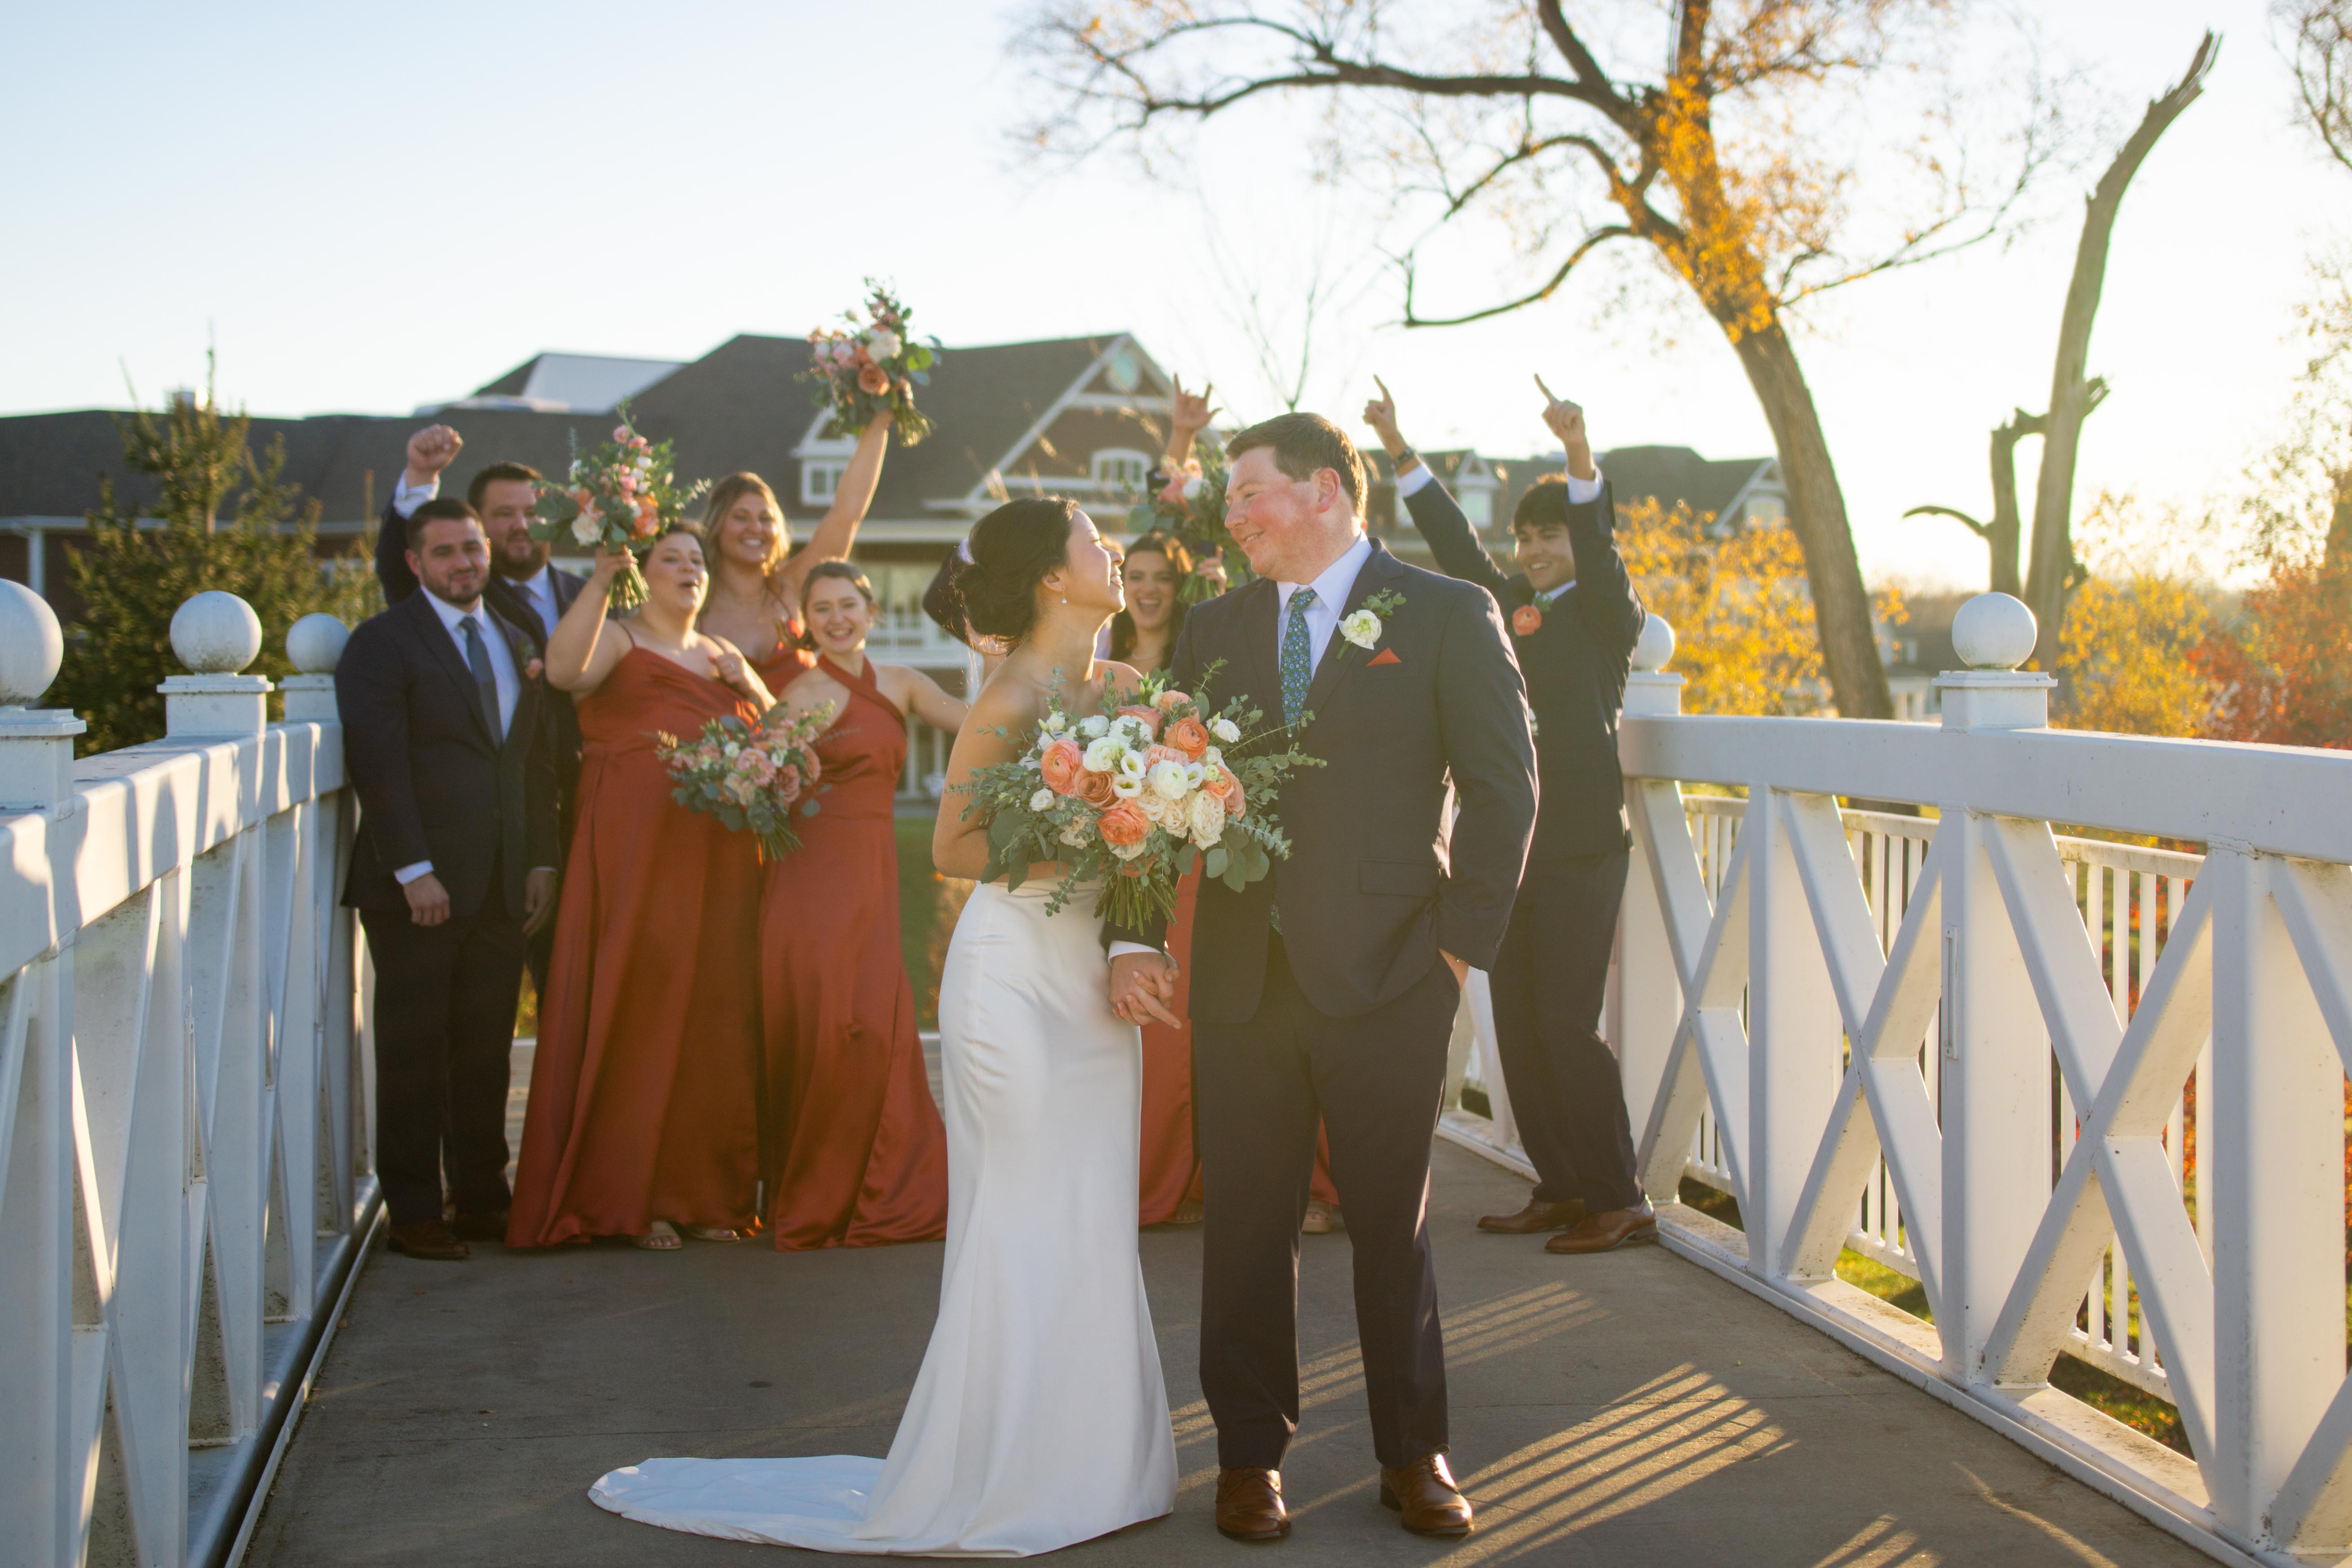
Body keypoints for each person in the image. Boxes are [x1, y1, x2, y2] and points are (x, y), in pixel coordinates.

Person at [588, 497, 1177, 1555]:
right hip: (1012, 980)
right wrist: (1108, 828)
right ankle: (1000, 1472)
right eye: (1092, 541)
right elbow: (955, 846)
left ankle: (1094, 1463)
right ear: (1054, 576)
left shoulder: (1130, 690)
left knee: (1092, 1210)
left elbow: (1146, 831)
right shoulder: (1008, 695)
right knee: (1020, 1214)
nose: (1109, 552)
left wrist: (1156, 824)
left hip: (1090, 986)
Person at [1108, 413, 1539, 1542]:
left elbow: (1505, 787)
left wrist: (1457, 947)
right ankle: (1249, 1456)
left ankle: (1415, 1450)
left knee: (1392, 1225)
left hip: (1397, 970)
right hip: (1245, 976)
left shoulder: (1448, 612)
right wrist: (1133, 932)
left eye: (1250, 492)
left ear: (1326, 495)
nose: (1233, 512)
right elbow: (1158, 782)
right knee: (1246, 1224)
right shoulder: (1213, 624)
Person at [1368, 377, 1655, 1255]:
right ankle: (1561, 1184)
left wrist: (1577, 458)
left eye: (1550, 533)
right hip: (1513, 847)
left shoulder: (1608, 614)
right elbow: (1455, 546)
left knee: (1565, 1023)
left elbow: (1600, 552)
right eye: (1526, 534)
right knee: (1521, 1030)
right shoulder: (1510, 611)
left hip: (1580, 849)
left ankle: (1619, 1196)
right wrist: (1397, 447)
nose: (1532, 548)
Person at [506, 527, 776, 1251]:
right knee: (641, 1002)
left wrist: (749, 685)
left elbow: (780, 731)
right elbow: (564, 673)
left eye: (696, 559)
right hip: (635, 848)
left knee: (712, 1013)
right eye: (671, 559)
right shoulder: (619, 639)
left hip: (717, 852)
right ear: (641, 573)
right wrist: (600, 578)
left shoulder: (723, 653)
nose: (689, 568)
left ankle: (701, 1192)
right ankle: (630, 1194)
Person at [336, 498, 561, 1262]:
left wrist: (538, 858)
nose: (464, 563)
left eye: (472, 548)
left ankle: (481, 1199)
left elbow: (529, 762)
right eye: (445, 553)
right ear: (414, 563)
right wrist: (414, 870)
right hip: (417, 891)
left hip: (501, 886)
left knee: (486, 1050)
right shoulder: (382, 644)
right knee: (412, 1053)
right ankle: (414, 1211)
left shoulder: (516, 634)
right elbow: (379, 764)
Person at [758, 562, 965, 1250]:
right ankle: (817, 1193)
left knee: (875, 1020)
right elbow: (759, 786)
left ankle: (892, 1186)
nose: (837, 618)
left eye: (848, 604)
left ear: (870, 611)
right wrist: (778, 775)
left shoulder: (902, 681)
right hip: (809, 875)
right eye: (823, 609)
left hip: (870, 870)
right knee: (822, 1019)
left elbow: (975, 725)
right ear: (808, 621)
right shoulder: (795, 693)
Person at [377, 426, 590, 993]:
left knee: (583, 982)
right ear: (480, 526)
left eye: (531, 511)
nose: (520, 524)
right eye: (502, 514)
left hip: (591, 811)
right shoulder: (464, 590)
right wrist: (421, 481)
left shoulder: (594, 591)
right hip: (504, 829)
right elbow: (404, 568)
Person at [697, 416, 893, 693]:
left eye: (766, 518)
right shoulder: (695, 606)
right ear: (717, 526)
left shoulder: (794, 585)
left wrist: (878, 424)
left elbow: (847, 512)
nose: (756, 528)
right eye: (741, 517)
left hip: (810, 733)